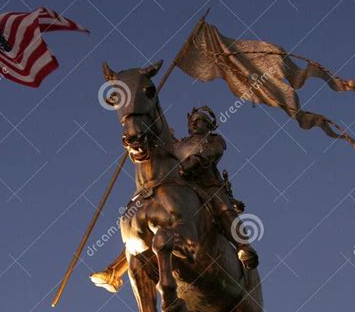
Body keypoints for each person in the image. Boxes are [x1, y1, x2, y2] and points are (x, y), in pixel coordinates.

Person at [90, 106, 259, 292]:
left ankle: (243, 245)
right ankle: (115, 271)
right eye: (192, 120)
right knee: (144, 223)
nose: (194, 122)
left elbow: (213, 153)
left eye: (200, 119)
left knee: (221, 206)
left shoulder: (213, 139)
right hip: (178, 187)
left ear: (209, 125)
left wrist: (196, 161)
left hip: (205, 183)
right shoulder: (178, 144)